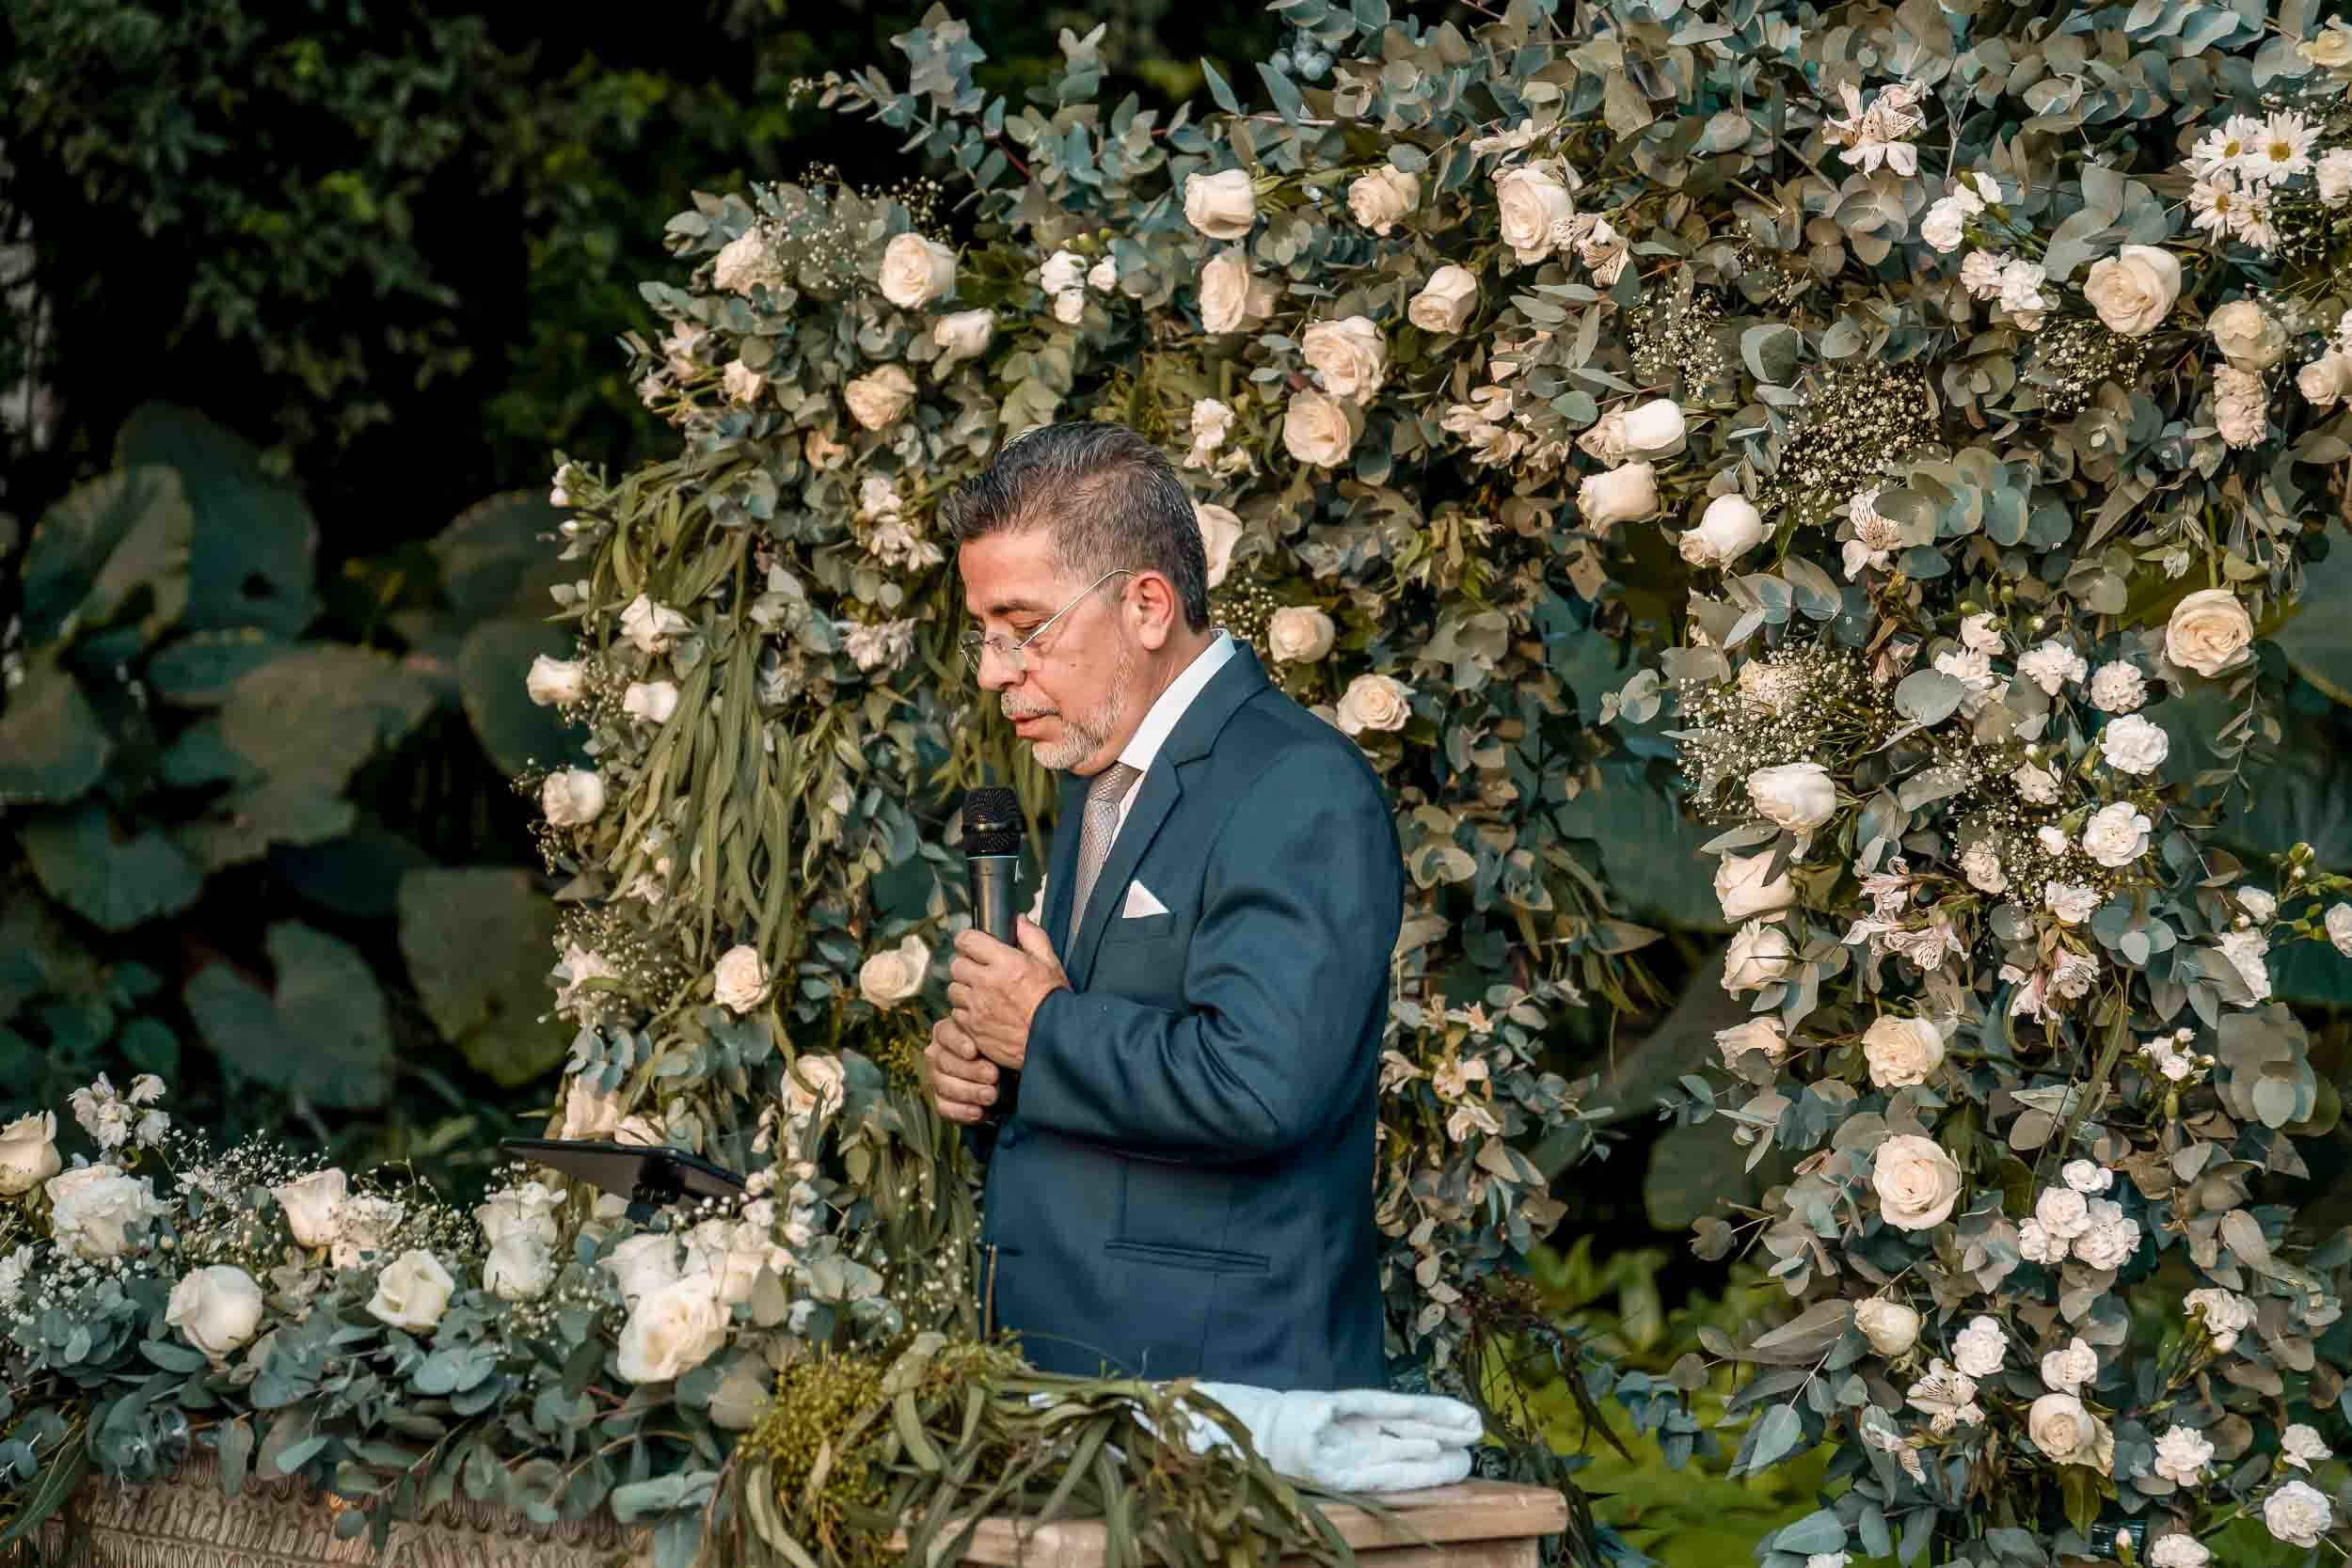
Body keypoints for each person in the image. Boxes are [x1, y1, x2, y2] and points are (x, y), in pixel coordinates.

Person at [925, 420, 1404, 1392]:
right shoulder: (1095, 779)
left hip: (1224, 1387)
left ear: (1146, 604)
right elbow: (1111, 1061)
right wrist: (996, 1078)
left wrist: (1045, 1030)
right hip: (1074, 1370)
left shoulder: (1295, 784)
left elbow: (1260, 1084)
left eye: (1022, 629)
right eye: (983, 635)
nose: (992, 669)